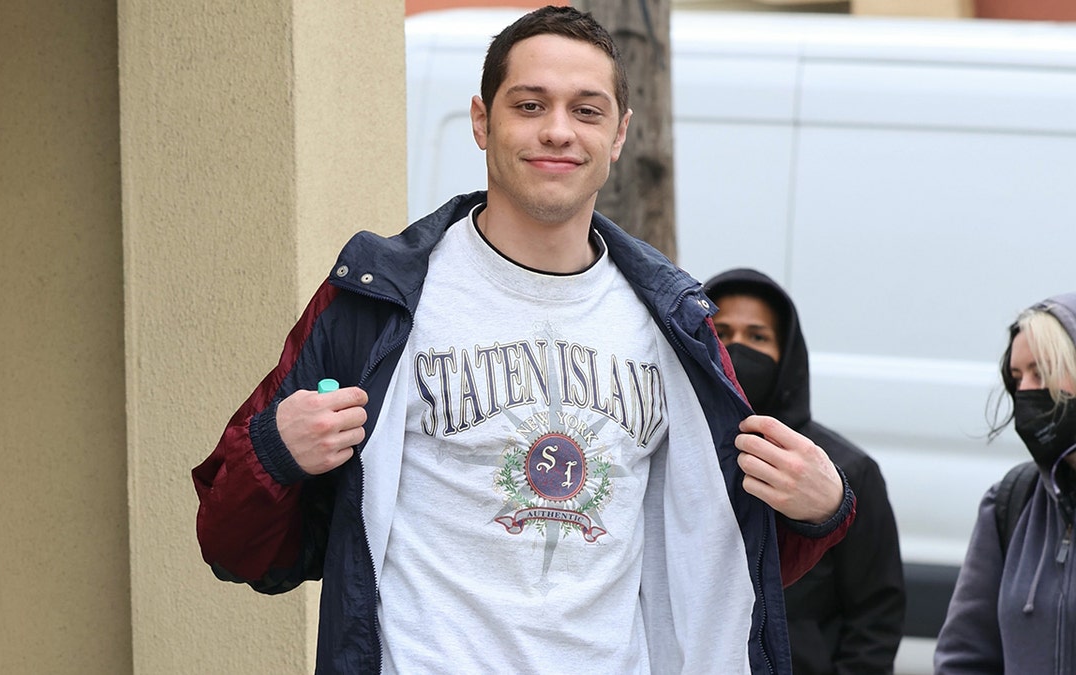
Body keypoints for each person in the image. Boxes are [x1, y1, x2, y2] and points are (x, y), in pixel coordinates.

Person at [193, 7, 854, 673]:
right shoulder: (381, 298)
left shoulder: (672, 323)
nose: (558, 131)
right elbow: (233, 545)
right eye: (531, 104)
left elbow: (724, 563)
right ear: (482, 121)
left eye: (587, 111)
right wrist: (276, 451)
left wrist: (823, 509)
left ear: (621, 134)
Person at [704, 268, 906, 675]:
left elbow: (875, 618)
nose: (737, 348)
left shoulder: (847, 471)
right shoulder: (670, 450)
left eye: (758, 336)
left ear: (788, 354)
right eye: (721, 333)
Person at [934, 292, 1076, 673]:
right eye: (1017, 377)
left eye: (1041, 371)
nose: (1026, 390)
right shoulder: (1011, 501)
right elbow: (964, 656)